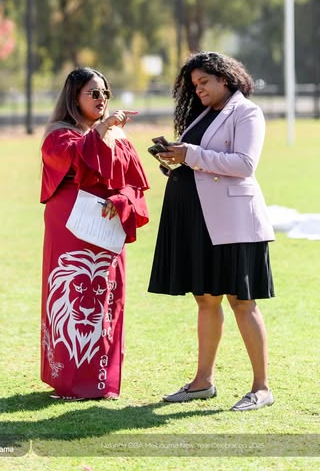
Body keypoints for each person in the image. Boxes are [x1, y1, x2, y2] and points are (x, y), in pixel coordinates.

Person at [148, 51, 275, 412]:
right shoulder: (202, 115)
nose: (199, 89)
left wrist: (190, 155)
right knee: (205, 299)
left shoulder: (247, 112)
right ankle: (203, 382)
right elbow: (199, 158)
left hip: (235, 222)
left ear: (225, 78)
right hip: (197, 220)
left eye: (204, 82)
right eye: (194, 85)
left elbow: (245, 164)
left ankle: (261, 387)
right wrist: (176, 162)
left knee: (242, 302)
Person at [40, 67, 149, 400]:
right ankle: (69, 382)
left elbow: (135, 185)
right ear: (75, 97)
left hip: (107, 228)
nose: (102, 100)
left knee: (106, 297)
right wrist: (102, 128)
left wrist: (121, 199)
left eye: (105, 93)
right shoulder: (59, 134)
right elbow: (77, 159)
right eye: (94, 93)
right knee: (71, 295)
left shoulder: (118, 137)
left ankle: (102, 382)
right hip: (70, 228)